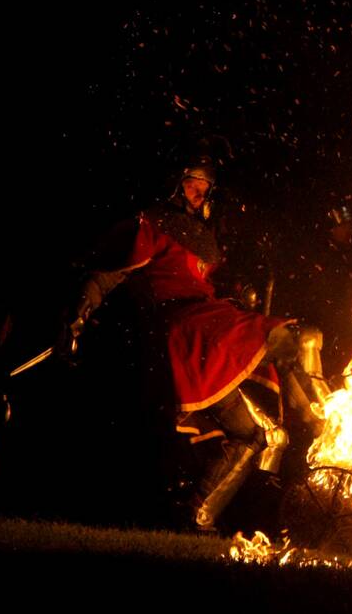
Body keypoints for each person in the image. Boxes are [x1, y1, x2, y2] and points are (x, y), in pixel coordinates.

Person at [63, 158, 330, 531]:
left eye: (205, 185)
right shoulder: (151, 225)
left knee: (260, 435)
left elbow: (208, 283)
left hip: (211, 326)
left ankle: (198, 516)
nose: (200, 191)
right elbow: (107, 274)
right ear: (175, 181)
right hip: (186, 331)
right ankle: (326, 418)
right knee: (297, 337)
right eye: (192, 182)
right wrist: (76, 315)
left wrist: (240, 290)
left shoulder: (202, 237)